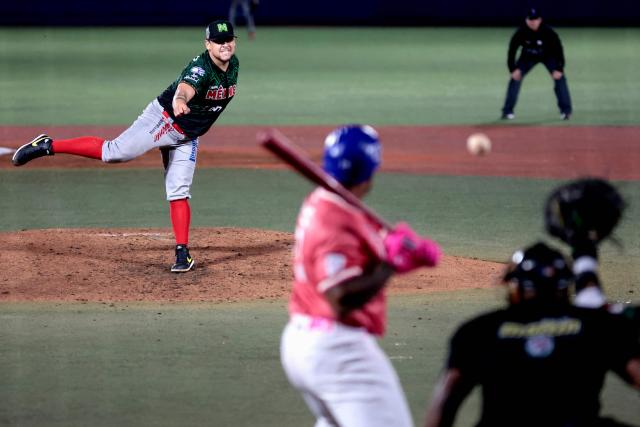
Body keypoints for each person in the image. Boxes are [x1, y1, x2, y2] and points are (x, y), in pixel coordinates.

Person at [11, 19, 240, 273]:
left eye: (228, 40)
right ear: (208, 44)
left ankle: (182, 253)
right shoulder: (201, 69)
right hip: (164, 120)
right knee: (114, 153)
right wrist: (179, 99)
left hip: (187, 136)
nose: (224, 45)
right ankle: (47, 145)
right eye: (218, 41)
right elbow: (185, 88)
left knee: (179, 191)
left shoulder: (233, 65)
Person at [280, 124, 441, 427]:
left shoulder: (324, 201)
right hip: (338, 350)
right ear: (371, 168)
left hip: (304, 340)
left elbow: (353, 236)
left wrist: (389, 248)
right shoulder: (334, 218)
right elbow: (340, 298)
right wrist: (390, 265)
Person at [424, 242, 640, 427]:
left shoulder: (479, 330)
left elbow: (447, 399)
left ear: (514, 287)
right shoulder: (597, 324)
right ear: (565, 287)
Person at [500, 7, 573, 121]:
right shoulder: (521, 32)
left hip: (549, 56)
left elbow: (559, 49)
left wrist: (559, 68)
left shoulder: (548, 32)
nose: (533, 22)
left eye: (535, 19)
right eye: (531, 19)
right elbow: (512, 50)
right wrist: (513, 69)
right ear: (526, 20)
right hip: (528, 57)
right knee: (515, 78)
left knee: (560, 78)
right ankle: (507, 111)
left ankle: (566, 111)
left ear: (540, 20)